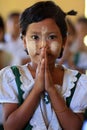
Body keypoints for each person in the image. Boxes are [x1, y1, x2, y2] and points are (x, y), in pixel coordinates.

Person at [0, 1, 87, 130]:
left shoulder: (77, 82)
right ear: (24, 41)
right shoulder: (11, 77)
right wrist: (36, 90)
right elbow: (10, 127)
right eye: (35, 37)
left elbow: (74, 127)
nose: (43, 45)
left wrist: (51, 89)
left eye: (51, 37)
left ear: (63, 41)